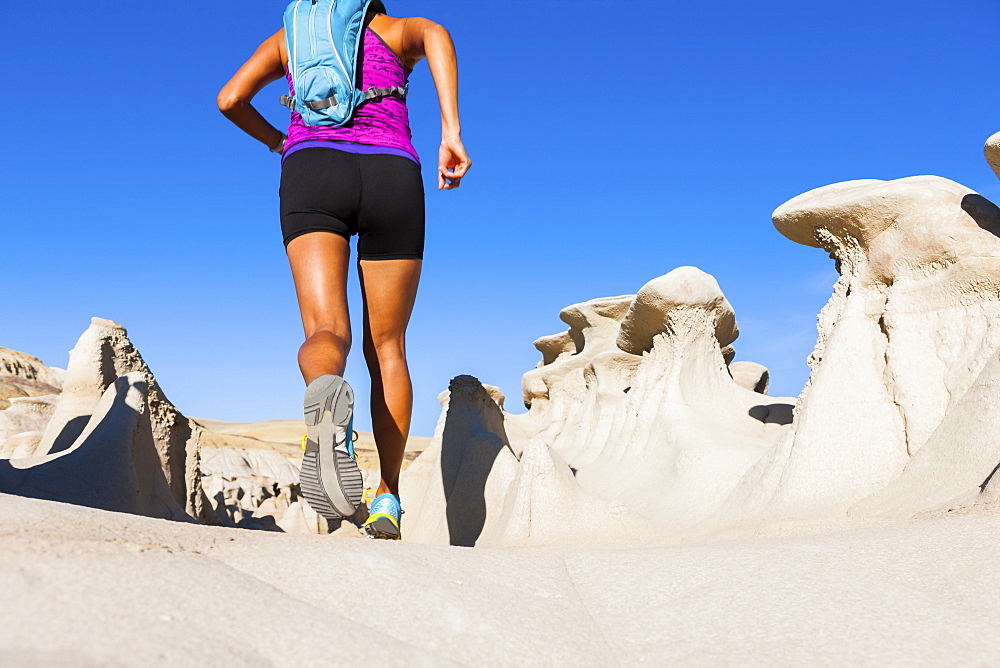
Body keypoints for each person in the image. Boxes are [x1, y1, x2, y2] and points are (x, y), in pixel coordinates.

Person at [217, 1, 471, 540]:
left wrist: (278, 140)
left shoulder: (290, 38)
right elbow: (439, 36)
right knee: (389, 348)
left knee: (326, 330)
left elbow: (230, 99)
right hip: (392, 173)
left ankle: (327, 397)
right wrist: (450, 129)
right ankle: (387, 497)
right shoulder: (398, 30)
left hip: (312, 169)